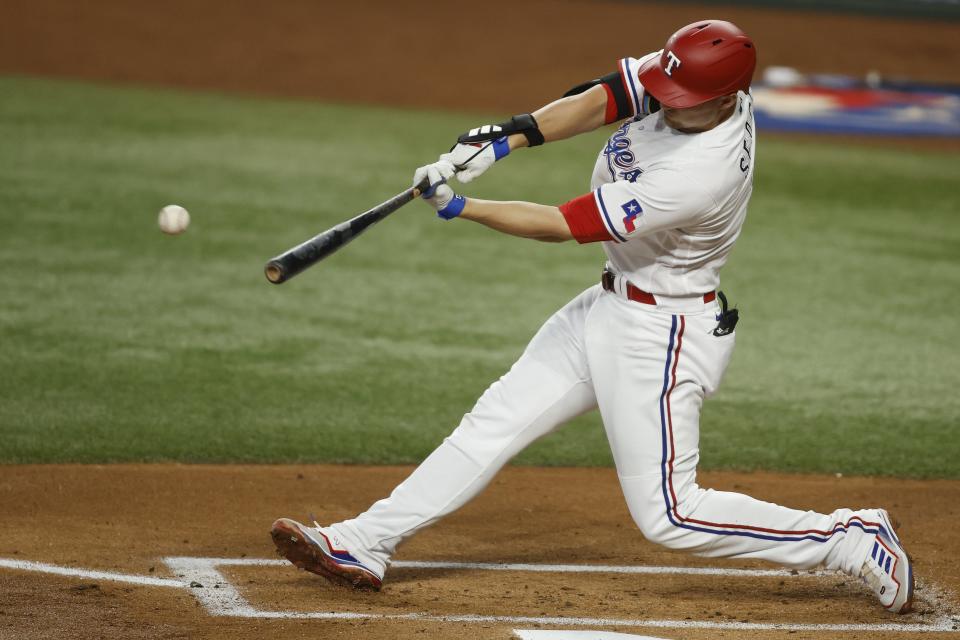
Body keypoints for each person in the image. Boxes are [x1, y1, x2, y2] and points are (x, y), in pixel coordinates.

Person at [271, 20, 914, 614]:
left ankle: (850, 537)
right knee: (493, 422)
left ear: (724, 100)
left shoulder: (699, 173)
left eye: (678, 96)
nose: (663, 101)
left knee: (672, 516)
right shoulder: (693, 86)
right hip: (608, 306)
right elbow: (607, 96)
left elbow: (561, 223)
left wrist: (460, 203)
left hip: (660, 336)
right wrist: (508, 136)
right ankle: (364, 540)